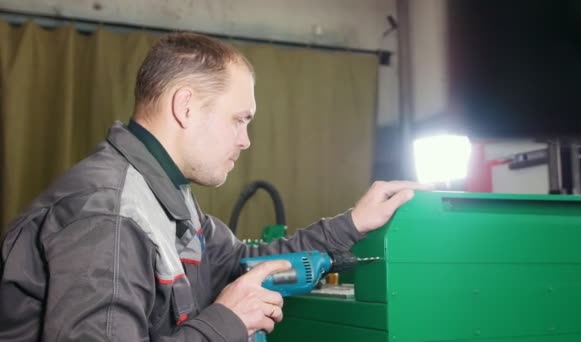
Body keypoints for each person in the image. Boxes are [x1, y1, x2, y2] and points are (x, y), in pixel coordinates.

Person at [0, 32, 425, 341]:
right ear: (185, 106)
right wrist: (226, 322)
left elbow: (245, 263)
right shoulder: (109, 215)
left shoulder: (166, 197)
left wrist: (353, 223)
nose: (245, 139)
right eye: (239, 119)